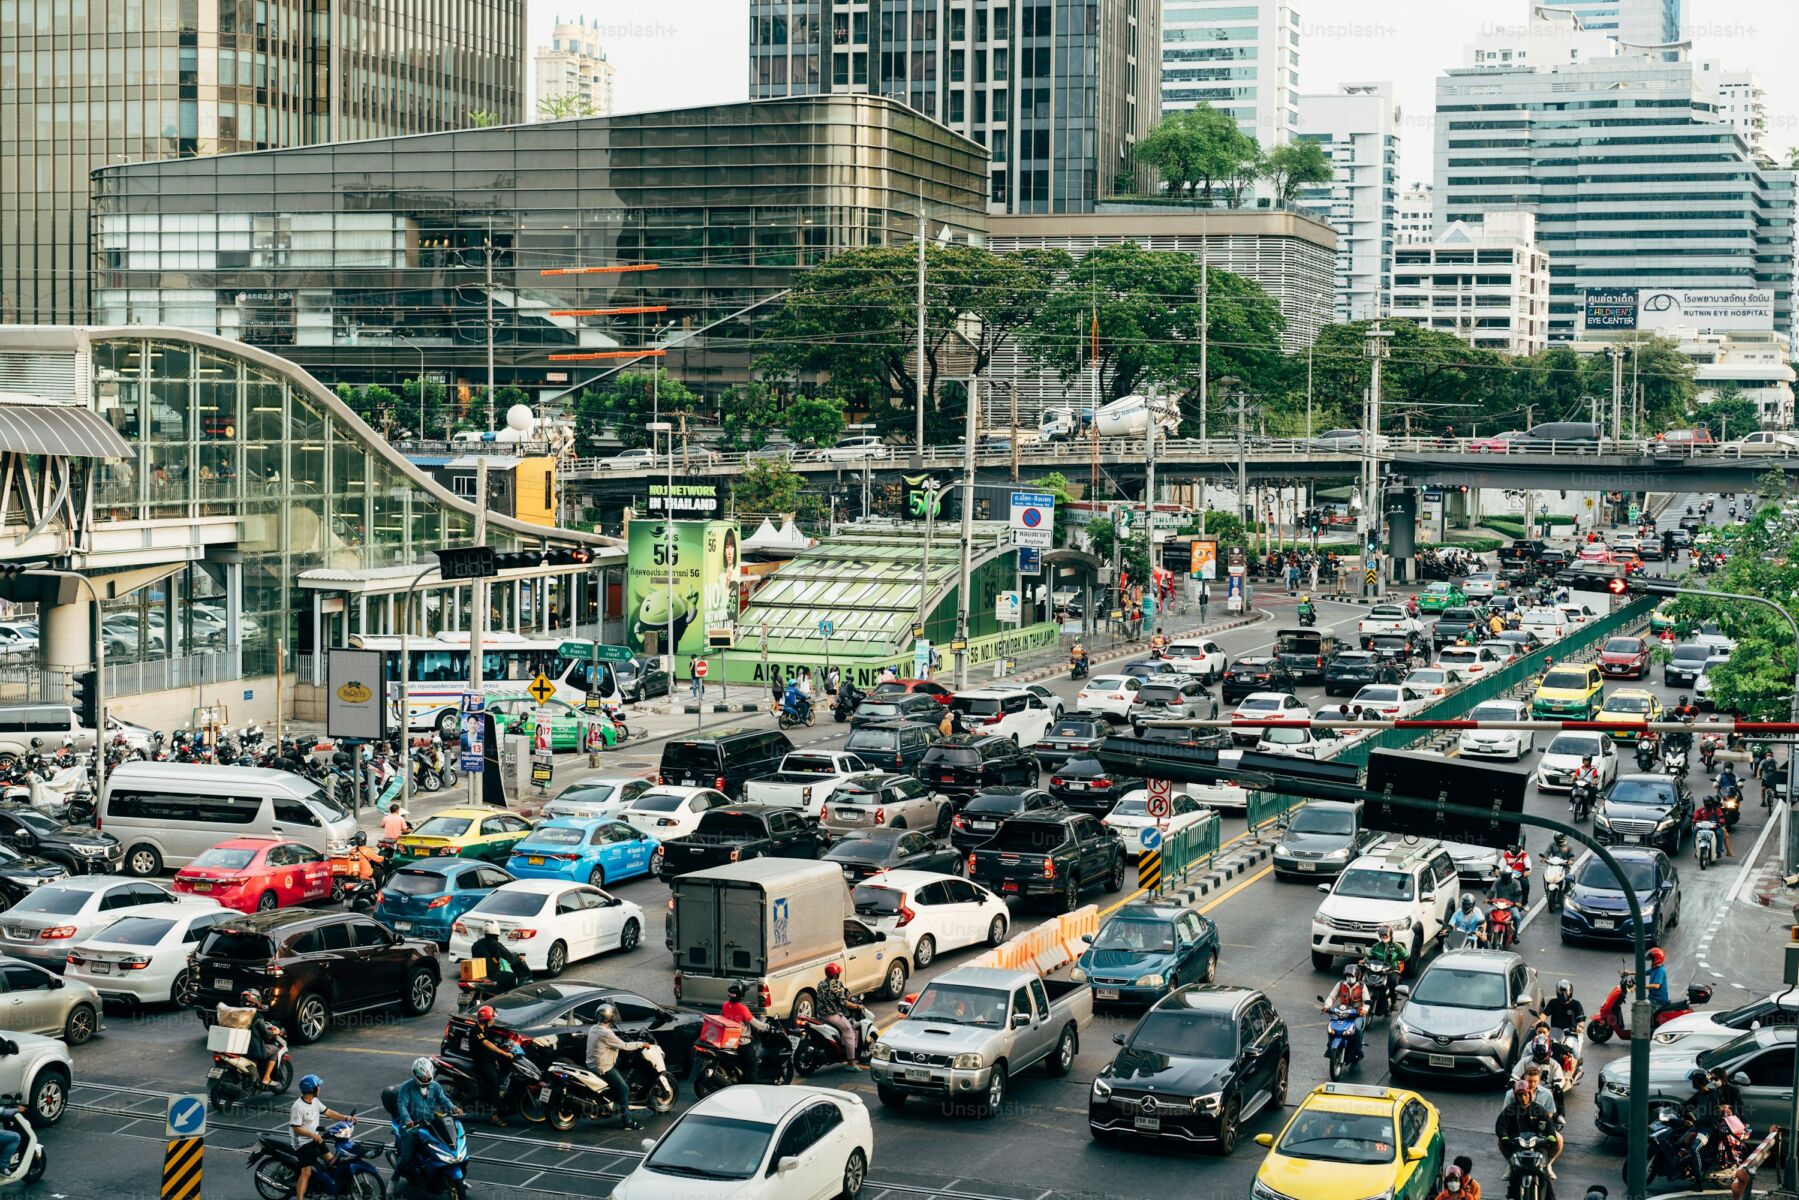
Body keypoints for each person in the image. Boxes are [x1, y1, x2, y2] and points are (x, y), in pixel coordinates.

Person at [395, 1058, 461, 1180]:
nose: (426, 1080)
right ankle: (392, 1183)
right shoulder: (406, 1087)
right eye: (423, 1078)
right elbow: (402, 1105)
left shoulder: (435, 1086)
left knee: (447, 1147)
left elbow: (443, 1100)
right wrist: (407, 1120)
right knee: (406, 1158)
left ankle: (456, 1178)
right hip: (411, 1127)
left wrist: (453, 1108)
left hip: (430, 1123)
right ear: (415, 1075)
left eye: (428, 1078)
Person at [1496, 1067, 1564, 1182]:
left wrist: (1550, 1133)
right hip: (1517, 1130)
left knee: (1559, 1140)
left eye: (1534, 1082)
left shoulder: (1546, 1095)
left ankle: (1547, 1164)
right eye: (1529, 1081)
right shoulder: (1510, 1097)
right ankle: (1510, 1163)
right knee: (1500, 1142)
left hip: (1539, 1130)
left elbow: (1549, 1118)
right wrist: (1503, 1135)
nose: (1532, 1084)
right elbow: (1503, 1120)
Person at [585, 1004, 646, 1130]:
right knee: (624, 1089)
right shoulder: (606, 1033)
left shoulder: (594, 1028)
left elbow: (612, 1041)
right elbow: (625, 1046)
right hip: (602, 1067)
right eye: (612, 1015)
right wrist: (642, 1044)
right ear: (609, 1017)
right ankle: (628, 1122)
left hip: (592, 1063)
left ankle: (614, 1098)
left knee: (619, 1061)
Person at [289, 1075, 350, 1200]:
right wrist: (312, 1135)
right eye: (318, 1087)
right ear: (312, 1089)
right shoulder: (298, 1106)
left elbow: (329, 1112)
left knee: (332, 1161)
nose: (320, 1089)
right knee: (306, 1172)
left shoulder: (315, 1101)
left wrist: (346, 1118)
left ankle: (328, 1187)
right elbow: (296, 1127)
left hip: (315, 1139)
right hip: (301, 1143)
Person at [469, 1005, 514, 1126]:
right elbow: (487, 1044)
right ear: (487, 1018)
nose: (494, 1019)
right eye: (492, 1017)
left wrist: (495, 1060)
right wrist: (504, 1054)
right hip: (482, 1063)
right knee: (495, 1086)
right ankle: (494, 1116)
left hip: (488, 1061)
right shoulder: (476, 1031)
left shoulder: (484, 1029)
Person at [816, 962, 866, 1067]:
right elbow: (845, 1003)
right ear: (835, 975)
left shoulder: (820, 984)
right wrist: (858, 1007)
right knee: (850, 1033)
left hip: (820, 1015)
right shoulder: (836, 986)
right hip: (832, 1015)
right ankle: (851, 1063)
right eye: (838, 973)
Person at [1322, 964, 1370, 1065]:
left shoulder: (1362, 986)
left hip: (1357, 1014)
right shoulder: (1340, 984)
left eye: (1352, 976)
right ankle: (1329, 1046)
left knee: (1356, 1029)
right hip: (1342, 1012)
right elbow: (1332, 997)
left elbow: (1367, 1001)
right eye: (1348, 976)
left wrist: (1364, 1010)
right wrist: (1327, 1006)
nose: (1350, 978)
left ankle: (1358, 1050)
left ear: (1357, 976)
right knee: (1332, 1026)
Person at [469, 921, 530, 992]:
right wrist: (518, 958)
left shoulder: (476, 944)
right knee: (511, 976)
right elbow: (509, 957)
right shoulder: (495, 944)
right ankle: (508, 998)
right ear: (496, 930)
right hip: (492, 974)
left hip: (478, 974)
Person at [241, 988, 281, 1088]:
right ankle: (266, 1078)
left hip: (238, 1048)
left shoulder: (237, 1013)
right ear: (256, 1001)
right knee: (275, 1050)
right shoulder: (256, 1016)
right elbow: (265, 1033)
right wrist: (274, 1031)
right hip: (252, 1049)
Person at [1694, 793, 1735, 857]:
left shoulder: (1716, 810)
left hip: (1715, 827)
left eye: (1708, 802)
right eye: (1705, 802)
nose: (1707, 803)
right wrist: (1694, 820)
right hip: (1702, 827)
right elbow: (1696, 817)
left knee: (1719, 833)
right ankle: (1696, 848)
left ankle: (1718, 850)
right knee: (1695, 830)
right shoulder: (1700, 810)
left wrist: (1721, 822)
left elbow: (1721, 817)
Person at [1503, 840, 1533, 906]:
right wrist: (1497, 871)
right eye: (1512, 849)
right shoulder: (1506, 854)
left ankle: (1524, 903)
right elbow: (1501, 864)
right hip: (1508, 875)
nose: (1513, 851)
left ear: (1519, 848)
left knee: (1526, 884)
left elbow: (1528, 864)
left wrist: (1527, 871)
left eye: (1515, 849)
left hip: (1520, 875)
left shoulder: (1524, 855)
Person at [1646, 946, 1672, 1011]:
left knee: (1645, 1013)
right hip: (1652, 997)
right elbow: (1644, 973)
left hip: (1657, 1001)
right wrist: (1629, 973)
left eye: (1652, 959)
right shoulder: (1655, 968)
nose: (1651, 961)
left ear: (1656, 959)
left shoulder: (1660, 970)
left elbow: (1656, 985)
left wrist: (1640, 987)